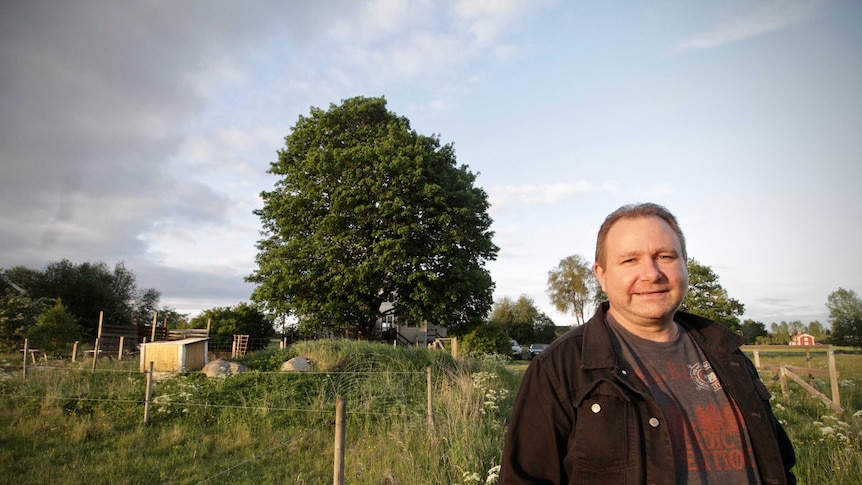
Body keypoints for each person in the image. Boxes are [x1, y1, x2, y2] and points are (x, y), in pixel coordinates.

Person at [499, 202, 796, 484]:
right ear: (601, 275)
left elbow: (780, 465)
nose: (652, 274)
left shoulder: (729, 355)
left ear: (685, 265)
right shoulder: (558, 369)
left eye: (665, 256)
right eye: (630, 260)